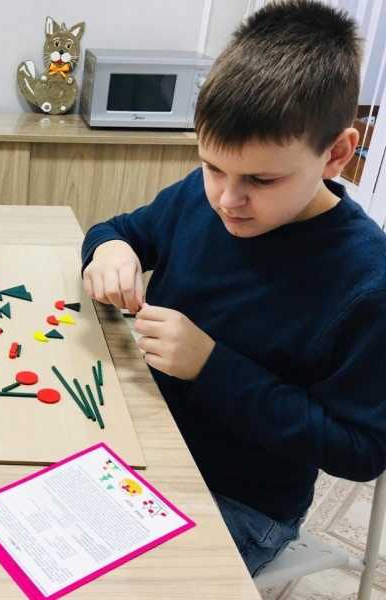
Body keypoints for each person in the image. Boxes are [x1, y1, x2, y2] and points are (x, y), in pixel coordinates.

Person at [80, 0, 386, 575]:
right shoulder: (202, 197)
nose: (227, 199)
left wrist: (210, 365)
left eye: (261, 179)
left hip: (241, 500)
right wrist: (110, 250)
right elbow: (120, 230)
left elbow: (362, 451)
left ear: (337, 155)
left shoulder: (367, 280)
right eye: (212, 166)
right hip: (141, 444)